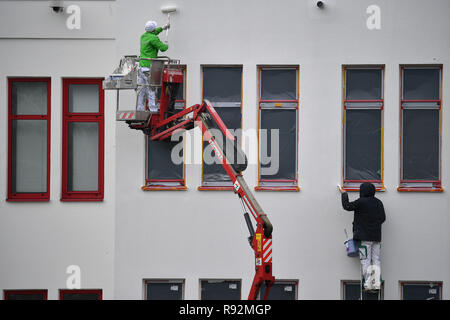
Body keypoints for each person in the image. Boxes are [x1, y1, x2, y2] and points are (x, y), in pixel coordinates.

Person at [339, 182, 386, 291]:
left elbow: (347, 206)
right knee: (376, 260)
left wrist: (344, 194)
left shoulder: (361, 202)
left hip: (364, 238)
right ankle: (376, 284)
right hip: (376, 237)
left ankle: (368, 284)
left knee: (365, 260)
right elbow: (383, 218)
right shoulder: (379, 203)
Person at [137, 20, 170, 112]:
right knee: (151, 89)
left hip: (142, 67)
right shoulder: (153, 39)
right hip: (149, 68)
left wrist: (163, 28)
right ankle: (153, 109)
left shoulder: (143, 36)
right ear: (153, 29)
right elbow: (163, 48)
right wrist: (166, 44)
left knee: (141, 90)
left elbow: (154, 32)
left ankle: (139, 109)